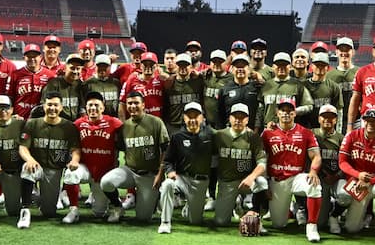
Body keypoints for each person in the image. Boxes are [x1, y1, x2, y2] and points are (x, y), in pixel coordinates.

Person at [100, 90, 169, 223]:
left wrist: (160, 174)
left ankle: (156, 197)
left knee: (143, 218)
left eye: (136, 103)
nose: (132, 106)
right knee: (106, 182)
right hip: (130, 171)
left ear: (143, 105)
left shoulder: (156, 122)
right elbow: (119, 148)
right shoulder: (125, 126)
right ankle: (118, 207)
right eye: (129, 103)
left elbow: (166, 149)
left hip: (149, 175)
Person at [262, 96, 323, 242]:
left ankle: (312, 226)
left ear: (295, 113)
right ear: (277, 113)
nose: (286, 114)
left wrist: (313, 171)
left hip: (296, 177)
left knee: (314, 184)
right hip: (276, 180)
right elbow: (261, 160)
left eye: (290, 111)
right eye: (283, 110)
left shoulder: (305, 132)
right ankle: (293, 209)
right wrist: (265, 183)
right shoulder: (267, 133)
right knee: (279, 224)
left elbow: (316, 156)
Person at [19, 93, 82, 220]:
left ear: (61, 107)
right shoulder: (32, 123)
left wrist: (75, 160)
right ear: (43, 106)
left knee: (48, 212)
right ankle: (25, 210)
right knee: (27, 168)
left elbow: (75, 149)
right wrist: (29, 159)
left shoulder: (69, 127)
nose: (52, 108)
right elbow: (23, 146)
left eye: (55, 105)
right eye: (49, 105)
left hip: (54, 170)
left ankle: (39, 198)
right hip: (37, 165)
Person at [337, 108, 375, 243]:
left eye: (374, 121)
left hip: (374, 182)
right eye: (367, 120)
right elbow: (342, 163)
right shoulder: (352, 136)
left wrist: (370, 181)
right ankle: (361, 215)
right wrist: (358, 175)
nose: (370, 123)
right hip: (356, 182)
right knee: (351, 228)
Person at [157, 101, 215, 233]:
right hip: (182, 179)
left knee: (195, 221)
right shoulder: (177, 137)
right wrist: (171, 172)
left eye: (196, 116)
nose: (192, 119)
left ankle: (189, 206)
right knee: (167, 185)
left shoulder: (211, 135)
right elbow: (167, 160)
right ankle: (165, 222)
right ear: (184, 118)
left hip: (200, 182)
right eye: (189, 116)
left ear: (202, 118)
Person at [212, 102, 268, 228]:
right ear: (230, 118)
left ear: (247, 119)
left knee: (262, 183)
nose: (238, 120)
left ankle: (257, 218)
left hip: (246, 181)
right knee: (221, 222)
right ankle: (236, 202)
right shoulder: (219, 135)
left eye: (242, 117)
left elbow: (262, 163)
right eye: (235, 117)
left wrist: (252, 177)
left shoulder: (253, 137)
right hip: (227, 182)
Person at [0, 95, 33, 228]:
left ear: (12, 110)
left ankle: (22, 205)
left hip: (14, 172)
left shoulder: (21, 124)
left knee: (13, 212)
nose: (3, 111)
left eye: (6, 108)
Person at [72, 91, 124, 220]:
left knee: (99, 213)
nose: (93, 108)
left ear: (103, 107)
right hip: (86, 169)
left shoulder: (114, 123)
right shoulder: (78, 124)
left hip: (105, 173)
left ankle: (117, 205)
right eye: (90, 105)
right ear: (86, 107)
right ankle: (73, 210)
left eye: (96, 105)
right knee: (70, 174)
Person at [312, 103, 346, 234]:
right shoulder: (311, 134)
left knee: (346, 195)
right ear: (319, 118)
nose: (327, 120)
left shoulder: (342, 139)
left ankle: (335, 215)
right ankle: (301, 207)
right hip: (320, 178)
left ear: (336, 119)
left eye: (331, 117)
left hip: (337, 177)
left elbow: (347, 162)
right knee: (320, 223)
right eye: (324, 117)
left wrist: (337, 175)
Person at [260, 53, 311, 126]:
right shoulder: (266, 85)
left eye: (284, 65)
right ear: (273, 67)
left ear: (290, 67)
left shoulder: (298, 85)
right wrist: (257, 127)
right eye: (278, 65)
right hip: (269, 129)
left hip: (289, 129)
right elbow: (260, 109)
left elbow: (309, 106)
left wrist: (293, 111)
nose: (281, 67)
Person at [216, 54, 264, 127]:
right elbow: (220, 115)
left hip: (251, 133)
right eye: (237, 66)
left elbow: (260, 112)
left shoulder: (256, 88)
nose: (240, 69)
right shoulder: (224, 89)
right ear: (232, 69)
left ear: (249, 69)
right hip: (230, 132)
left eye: (243, 66)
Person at [300, 52, 344, 128]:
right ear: (312, 66)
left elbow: (339, 111)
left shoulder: (334, 86)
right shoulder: (302, 86)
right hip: (305, 127)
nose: (320, 67)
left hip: (327, 128)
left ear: (328, 67)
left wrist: (338, 131)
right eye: (317, 65)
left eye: (323, 65)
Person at [163, 53, 205, 129]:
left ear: (191, 67)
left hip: (194, 125)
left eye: (186, 65)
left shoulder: (199, 81)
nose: (183, 68)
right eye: (180, 65)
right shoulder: (168, 83)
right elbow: (165, 106)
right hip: (174, 125)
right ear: (176, 66)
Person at [41, 53, 85, 120]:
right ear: (65, 68)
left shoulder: (81, 85)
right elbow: (44, 105)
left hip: (75, 125)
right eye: (72, 68)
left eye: (78, 68)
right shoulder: (53, 84)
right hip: (58, 125)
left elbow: (83, 108)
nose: (75, 71)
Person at [9, 42, 47, 120]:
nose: (32, 59)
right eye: (29, 56)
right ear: (24, 57)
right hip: (19, 118)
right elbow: (10, 97)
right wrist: (11, 115)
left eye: (35, 56)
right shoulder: (15, 74)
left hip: (40, 120)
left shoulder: (49, 75)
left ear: (40, 57)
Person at [124, 51, 165, 118]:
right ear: (140, 65)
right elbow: (123, 103)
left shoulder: (161, 80)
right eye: (145, 64)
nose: (148, 67)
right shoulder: (132, 79)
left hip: (158, 122)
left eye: (151, 65)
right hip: (138, 121)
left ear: (156, 66)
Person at [327, 36, 360, 118]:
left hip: (357, 119)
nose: (344, 53)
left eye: (347, 50)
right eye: (341, 50)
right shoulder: (329, 75)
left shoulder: (360, 72)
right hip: (336, 118)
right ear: (337, 52)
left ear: (353, 52)